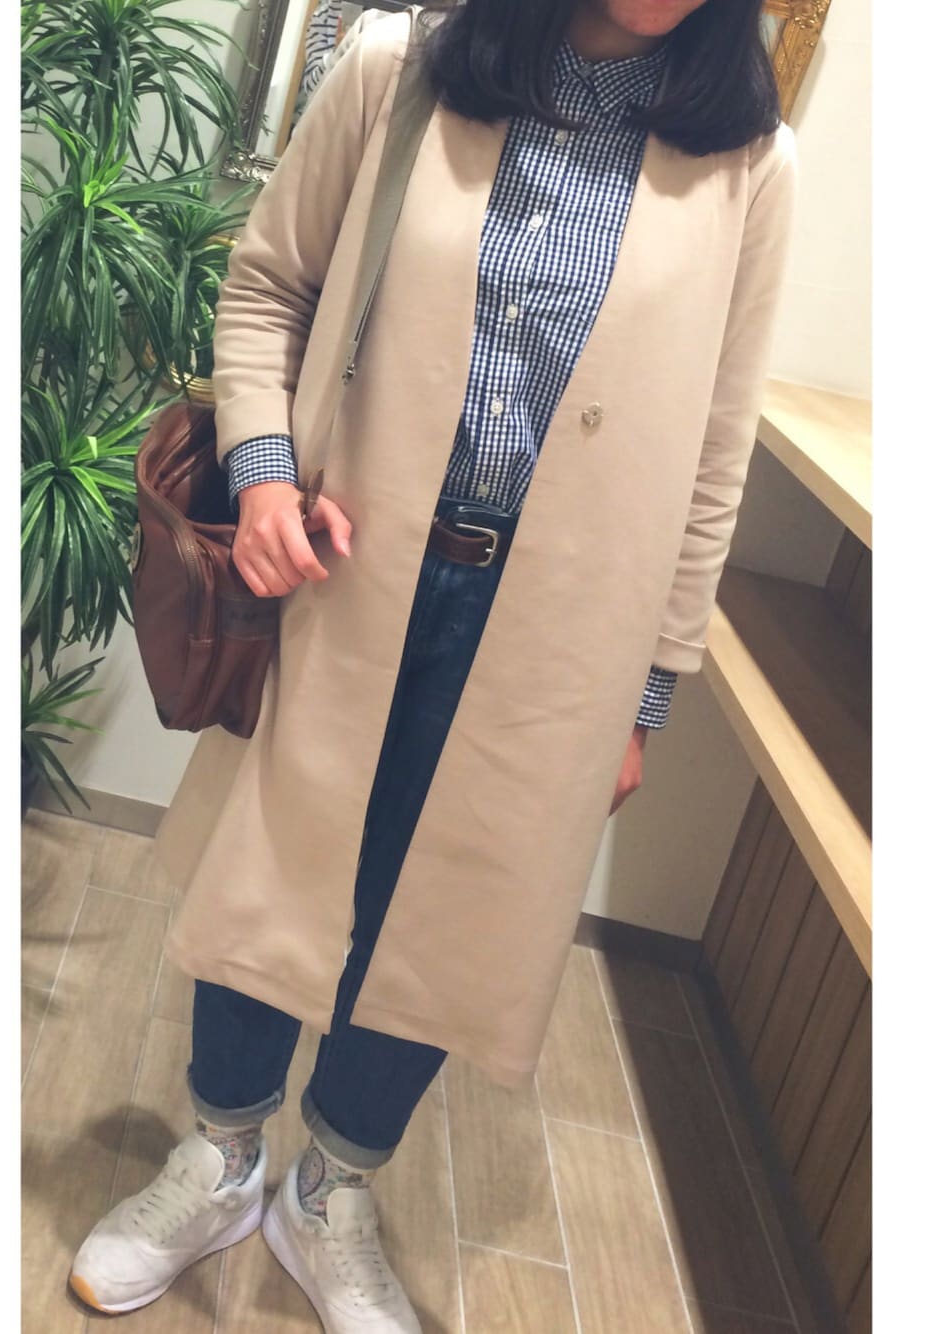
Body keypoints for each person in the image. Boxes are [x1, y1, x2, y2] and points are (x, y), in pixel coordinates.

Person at [70, 1, 796, 1329]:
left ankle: (330, 1186)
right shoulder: (399, 70)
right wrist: (265, 475)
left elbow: (715, 455)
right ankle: (221, 1157)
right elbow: (267, 289)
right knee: (277, 862)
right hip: (350, 571)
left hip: (565, 631)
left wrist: (648, 693)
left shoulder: (751, 164)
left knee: (455, 909)